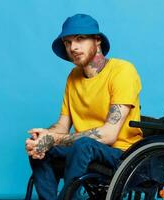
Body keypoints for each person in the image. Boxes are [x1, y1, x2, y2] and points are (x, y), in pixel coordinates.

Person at [25, 14, 142, 200]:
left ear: (97, 41)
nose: (73, 47)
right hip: (83, 150)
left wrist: (54, 139)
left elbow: (109, 134)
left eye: (80, 39)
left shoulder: (123, 71)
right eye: (67, 42)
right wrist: (44, 138)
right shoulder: (73, 77)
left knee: (83, 144)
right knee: (40, 149)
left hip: (121, 153)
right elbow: (62, 125)